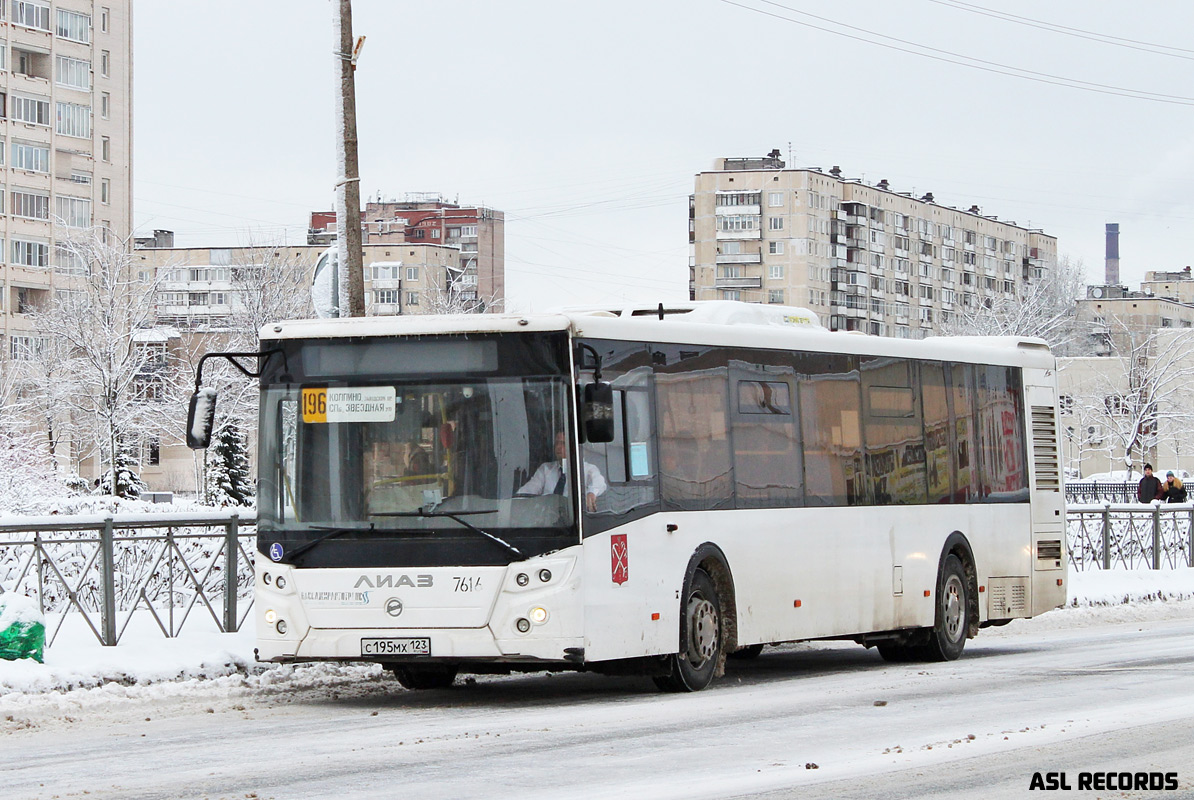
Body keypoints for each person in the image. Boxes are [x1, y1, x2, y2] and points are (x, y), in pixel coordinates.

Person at [518, 431, 607, 511]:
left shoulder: (587, 469)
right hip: (546, 519)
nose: (558, 447)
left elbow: (599, 483)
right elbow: (528, 491)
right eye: (557, 443)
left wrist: (591, 493)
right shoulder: (546, 469)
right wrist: (514, 502)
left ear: (573, 446)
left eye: (563, 443)